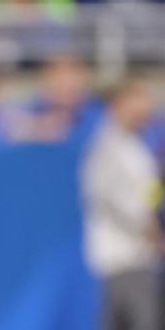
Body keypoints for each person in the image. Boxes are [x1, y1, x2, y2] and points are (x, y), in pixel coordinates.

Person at [81, 79, 163, 330]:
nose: (145, 108)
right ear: (120, 104)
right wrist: (152, 231)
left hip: (139, 261)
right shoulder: (108, 146)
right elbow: (119, 201)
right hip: (122, 261)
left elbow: (149, 195)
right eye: (137, 99)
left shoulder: (136, 146)